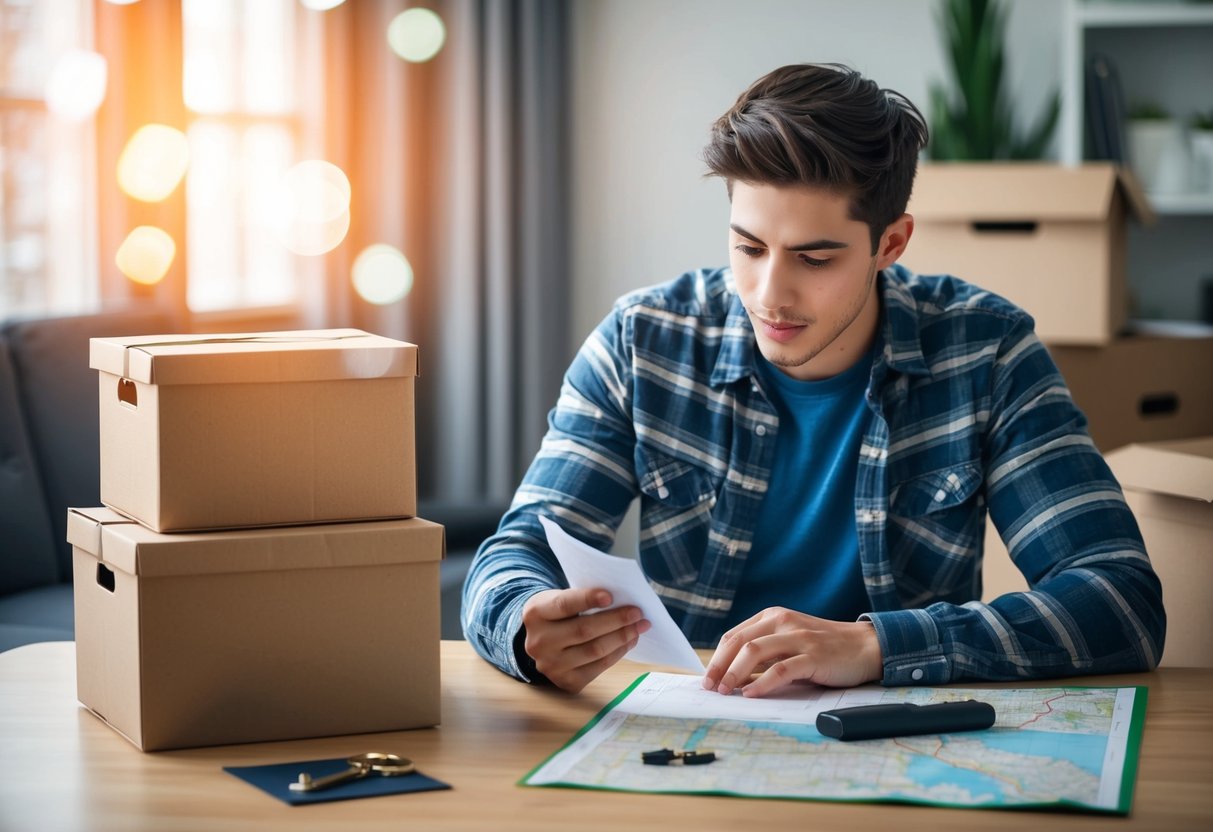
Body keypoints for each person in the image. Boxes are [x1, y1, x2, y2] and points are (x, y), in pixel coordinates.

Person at [460, 62, 1166, 696]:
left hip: (896, 734)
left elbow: (1118, 601)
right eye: (748, 247)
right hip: (689, 730)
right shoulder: (643, 341)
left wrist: (873, 645)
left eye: (814, 257)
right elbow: (515, 552)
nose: (770, 293)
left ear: (889, 243)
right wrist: (523, 624)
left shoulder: (985, 352)